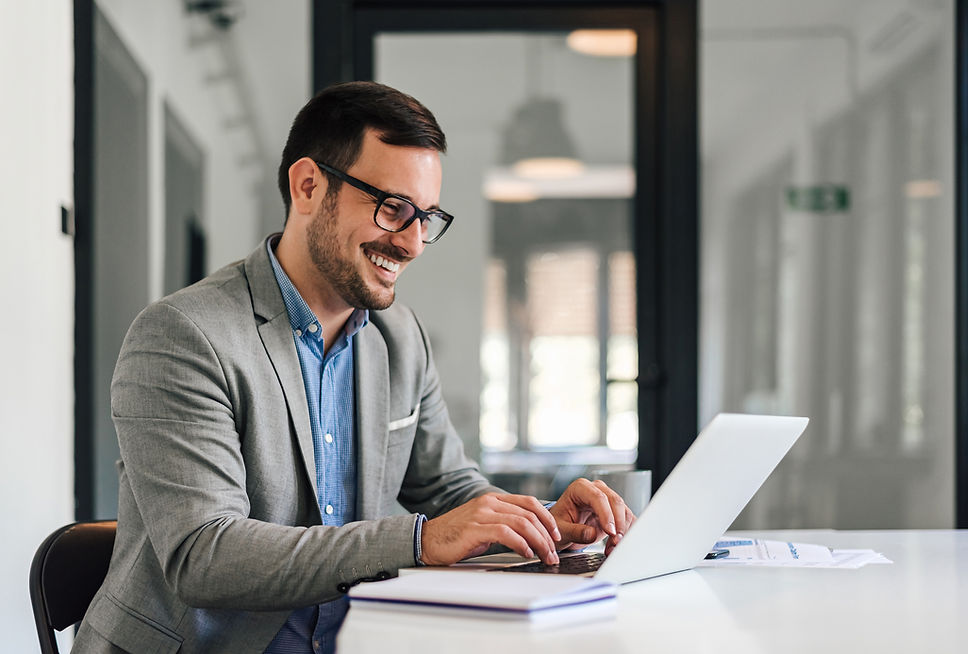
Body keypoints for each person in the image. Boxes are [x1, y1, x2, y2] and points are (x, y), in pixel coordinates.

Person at [73, 81, 635, 654]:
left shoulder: (401, 338)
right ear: (309, 186)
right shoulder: (183, 335)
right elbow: (204, 556)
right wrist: (420, 539)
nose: (413, 243)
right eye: (393, 209)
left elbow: (447, 487)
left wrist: (539, 521)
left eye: (426, 217)